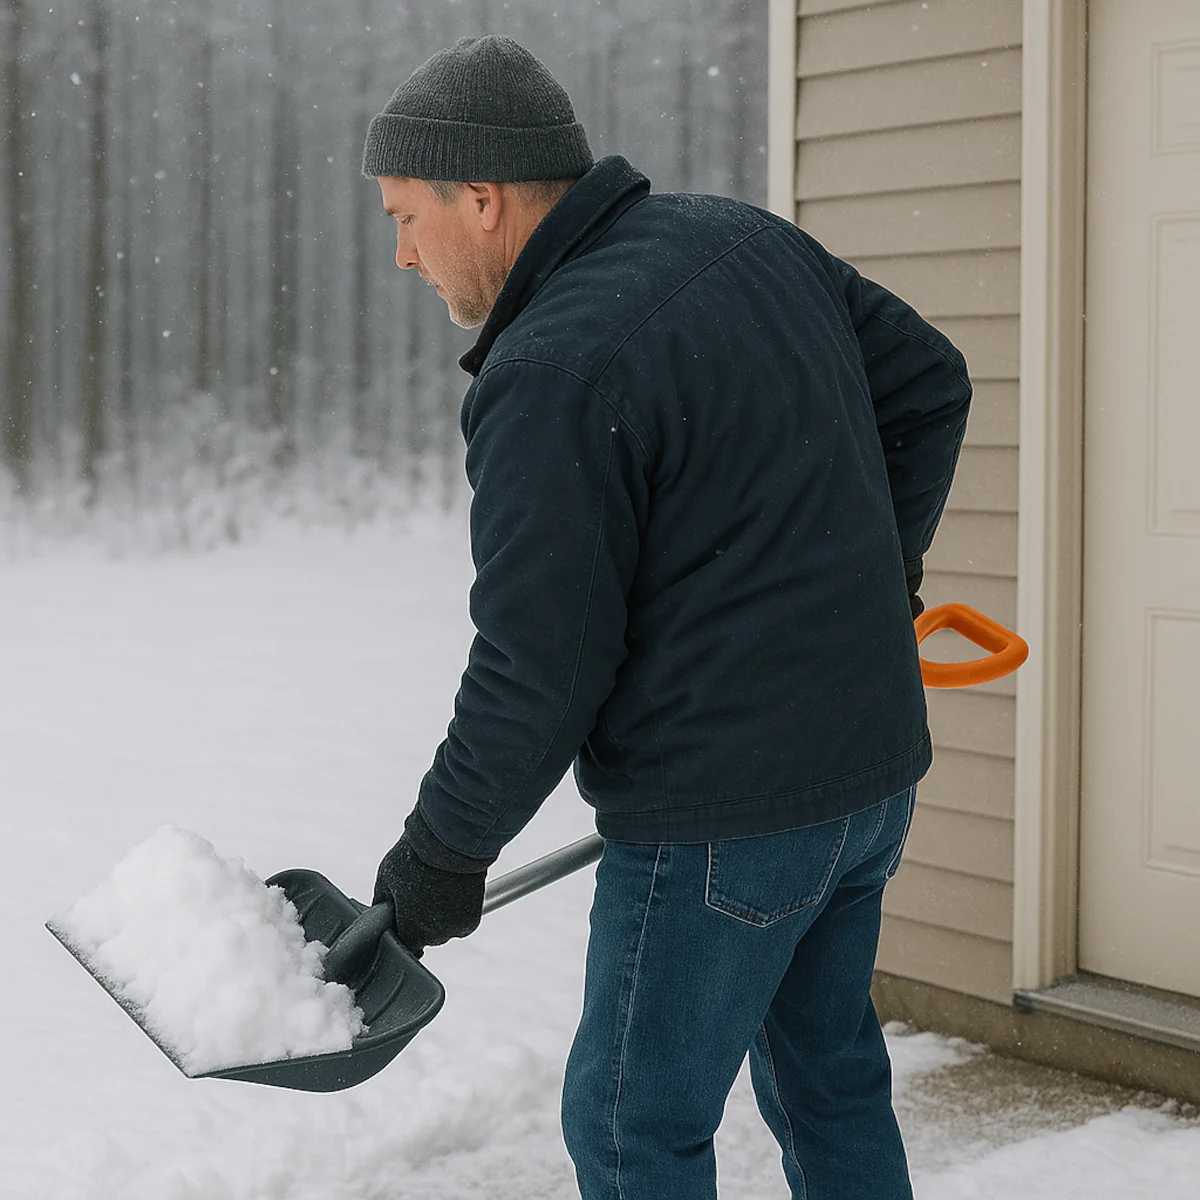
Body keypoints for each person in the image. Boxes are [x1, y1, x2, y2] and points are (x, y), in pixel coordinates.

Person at [362, 35, 970, 1200]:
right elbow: (929, 383)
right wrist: (872, 592)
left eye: (405, 215)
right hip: (870, 779)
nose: (400, 253)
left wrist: (443, 853)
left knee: (635, 1127)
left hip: (722, 824)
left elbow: (540, 664)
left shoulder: (552, 369)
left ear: (482, 200)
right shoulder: (744, 238)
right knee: (828, 1079)